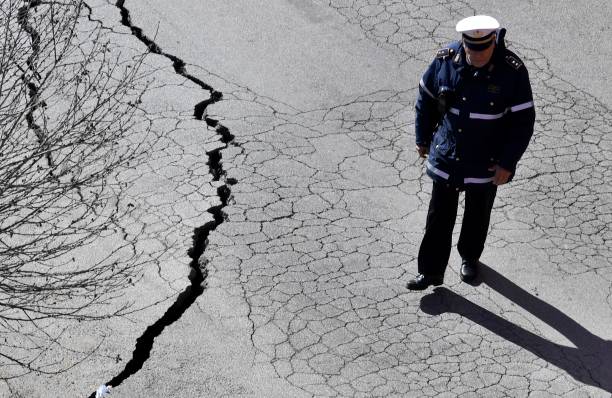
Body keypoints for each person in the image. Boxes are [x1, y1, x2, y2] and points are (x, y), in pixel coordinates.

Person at [407, 15, 536, 290]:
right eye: (471, 49)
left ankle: (469, 257)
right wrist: (422, 138)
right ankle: (430, 272)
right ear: (463, 44)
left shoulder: (511, 71)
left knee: (478, 213)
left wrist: (507, 163)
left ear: (493, 43)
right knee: (438, 215)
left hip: (486, 160)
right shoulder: (445, 60)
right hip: (448, 154)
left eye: (483, 49)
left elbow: (523, 122)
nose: (477, 55)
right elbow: (425, 100)